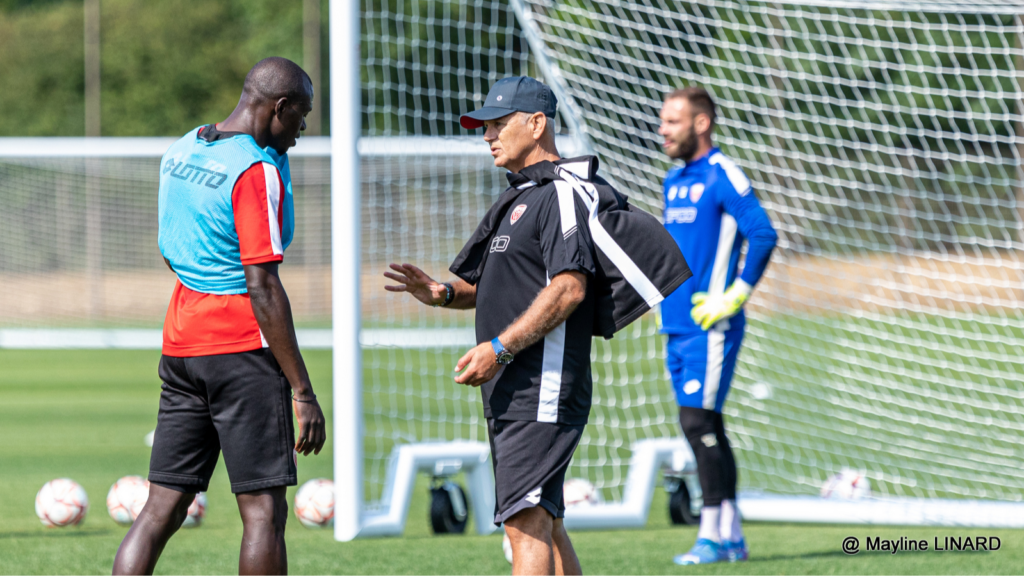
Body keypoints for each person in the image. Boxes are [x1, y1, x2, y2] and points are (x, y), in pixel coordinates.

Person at [112, 57, 326, 576]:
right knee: (263, 513)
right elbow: (263, 286)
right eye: (302, 115)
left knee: (162, 505)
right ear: (280, 107)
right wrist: (302, 390)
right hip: (241, 353)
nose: (303, 130)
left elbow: (172, 249)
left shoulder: (182, 149)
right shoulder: (254, 171)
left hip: (181, 345)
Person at [657, 86, 778, 565]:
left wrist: (736, 295)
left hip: (712, 327)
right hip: (676, 323)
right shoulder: (673, 179)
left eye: (672, 121)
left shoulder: (723, 173)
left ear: (701, 123)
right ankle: (731, 538)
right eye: (662, 120)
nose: (662, 129)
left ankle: (709, 537)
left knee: (696, 422)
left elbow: (763, 233)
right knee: (707, 424)